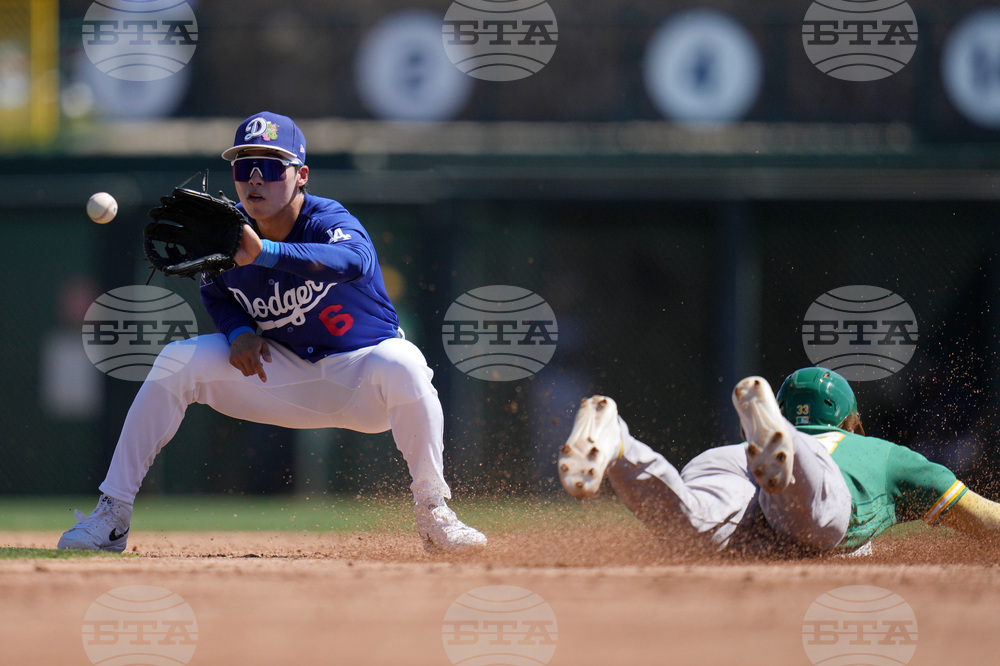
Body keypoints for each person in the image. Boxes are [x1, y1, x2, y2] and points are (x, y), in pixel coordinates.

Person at [59, 112, 486, 554]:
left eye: (271, 167)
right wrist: (239, 329)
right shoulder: (226, 233)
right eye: (245, 167)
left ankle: (434, 513)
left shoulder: (327, 219)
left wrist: (266, 254)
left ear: (300, 175)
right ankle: (112, 515)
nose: (256, 179)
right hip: (278, 378)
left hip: (361, 377)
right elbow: (218, 293)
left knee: (405, 363)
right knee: (176, 361)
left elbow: (351, 261)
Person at [558, 367, 1000, 556]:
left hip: (732, 462)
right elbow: (985, 519)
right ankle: (785, 448)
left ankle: (619, 445)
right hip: (805, 481)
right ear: (852, 422)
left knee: (690, 528)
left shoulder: (749, 452)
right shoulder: (887, 454)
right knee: (815, 523)